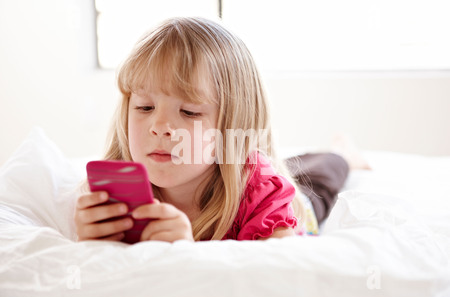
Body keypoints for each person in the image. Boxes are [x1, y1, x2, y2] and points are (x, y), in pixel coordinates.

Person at [74, 17, 369, 243]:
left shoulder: (265, 198)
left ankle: (343, 152)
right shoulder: (118, 188)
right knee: (293, 165)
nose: (160, 127)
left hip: (294, 205)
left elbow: (268, 284)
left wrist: (184, 254)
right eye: (144, 108)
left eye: (189, 111)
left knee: (321, 179)